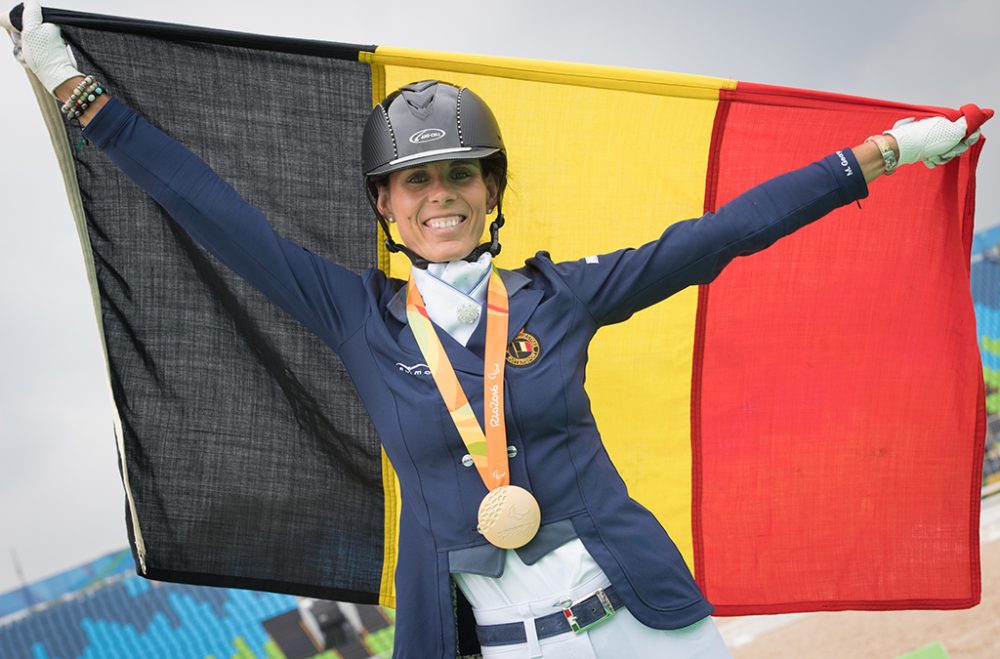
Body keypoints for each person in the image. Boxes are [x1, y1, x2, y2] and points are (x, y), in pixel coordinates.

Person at [9, 2, 984, 657]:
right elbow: (208, 206)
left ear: (489, 191)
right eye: (416, 181)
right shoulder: (353, 313)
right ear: (386, 206)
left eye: (459, 174)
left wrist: (880, 153)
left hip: (646, 627)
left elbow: (722, 234)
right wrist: (72, 87)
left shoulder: (565, 295)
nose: (440, 195)